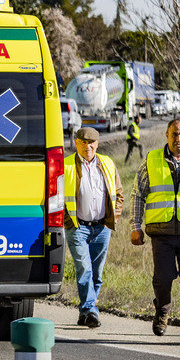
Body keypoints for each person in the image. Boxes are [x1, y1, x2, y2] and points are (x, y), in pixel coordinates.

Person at [130, 118, 180, 345]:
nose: (178, 139)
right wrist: (135, 227)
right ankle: (162, 310)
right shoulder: (151, 161)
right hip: (162, 233)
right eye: (174, 134)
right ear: (167, 136)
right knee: (163, 278)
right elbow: (137, 194)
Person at [65, 127, 124, 328]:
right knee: (84, 269)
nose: (87, 146)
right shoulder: (66, 165)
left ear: (97, 144)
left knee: (97, 274)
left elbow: (119, 193)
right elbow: (55, 196)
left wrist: (112, 218)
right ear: (76, 143)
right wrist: (67, 221)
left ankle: (85, 312)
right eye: (83, 142)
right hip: (77, 227)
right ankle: (91, 310)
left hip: (102, 228)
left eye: (91, 143)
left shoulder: (107, 163)